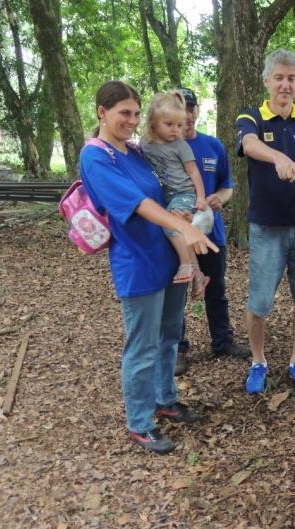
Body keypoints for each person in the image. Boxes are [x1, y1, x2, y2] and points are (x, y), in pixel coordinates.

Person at [79, 81, 218, 453]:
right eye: (125, 112)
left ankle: (164, 399)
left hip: (168, 260)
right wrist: (184, 227)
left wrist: (190, 255)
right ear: (102, 113)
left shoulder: (136, 152)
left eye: (136, 114)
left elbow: (171, 193)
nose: (132, 120)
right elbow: (139, 203)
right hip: (138, 263)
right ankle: (140, 422)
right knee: (142, 346)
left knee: (170, 335)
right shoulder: (97, 157)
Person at [235, 48, 295, 395]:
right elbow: (249, 144)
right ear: (266, 81)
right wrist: (278, 158)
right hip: (266, 228)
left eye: (291, 78)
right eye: (279, 78)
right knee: (259, 303)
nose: (285, 85)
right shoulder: (252, 116)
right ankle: (258, 362)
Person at [174, 87, 250, 376]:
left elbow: (227, 186)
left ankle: (222, 340)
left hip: (211, 233)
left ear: (197, 110)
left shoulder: (213, 146)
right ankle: (178, 349)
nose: (187, 115)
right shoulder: (163, 148)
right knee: (179, 292)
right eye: (181, 109)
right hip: (178, 236)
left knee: (216, 289)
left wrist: (221, 197)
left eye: (191, 108)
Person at [138, 91, 210, 298]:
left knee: (170, 225)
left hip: (184, 193)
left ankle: (186, 265)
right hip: (166, 195)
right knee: (183, 232)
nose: (175, 130)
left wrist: (201, 197)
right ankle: (199, 275)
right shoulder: (145, 144)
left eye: (179, 125)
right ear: (153, 122)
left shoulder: (181, 145)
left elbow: (194, 172)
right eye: (169, 124)